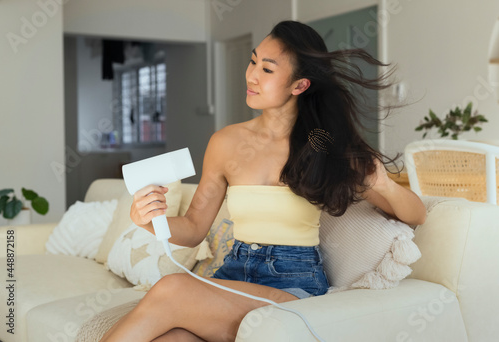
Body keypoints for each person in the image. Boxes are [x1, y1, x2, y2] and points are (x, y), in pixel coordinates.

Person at [100, 20, 426, 342]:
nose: (251, 75)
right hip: (232, 275)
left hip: (293, 285)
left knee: (172, 288)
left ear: (299, 86)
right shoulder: (225, 142)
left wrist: (382, 183)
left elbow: (416, 214)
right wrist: (148, 221)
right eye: (253, 61)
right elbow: (194, 227)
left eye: (267, 70)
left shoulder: (326, 149)